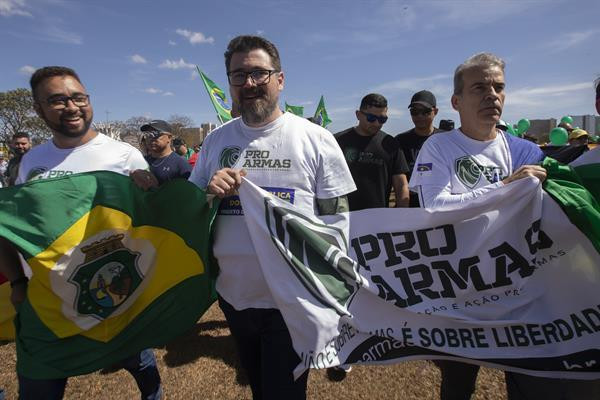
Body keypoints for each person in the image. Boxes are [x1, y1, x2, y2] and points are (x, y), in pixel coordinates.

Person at [189, 35, 355, 400]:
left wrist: (331, 292)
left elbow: (337, 224)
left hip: (291, 302)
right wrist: (208, 192)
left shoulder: (316, 139)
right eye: (238, 75)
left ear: (280, 79)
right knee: (260, 386)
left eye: (259, 74)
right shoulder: (216, 141)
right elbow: (191, 206)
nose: (248, 83)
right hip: (233, 297)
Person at [0, 66, 162, 400]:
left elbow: (153, 221)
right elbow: (11, 227)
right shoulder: (32, 161)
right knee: (38, 385)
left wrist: (152, 189)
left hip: (114, 293)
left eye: (78, 97)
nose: (72, 107)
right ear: (38, 109)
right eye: (57, 100)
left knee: (141, 364)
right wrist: (17, 281)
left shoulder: (125, 154)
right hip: (48, 298)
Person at [409, 52, 550, 400]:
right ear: (457, 101)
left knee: (527, 380)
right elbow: (435, 209)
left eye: (499, 87)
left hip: (520, 288)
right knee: (458, 385)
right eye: (480, 88)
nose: (492, 95)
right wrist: (504, 187)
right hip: (462, 291)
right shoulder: (439, 147)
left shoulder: (525, 152)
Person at [335, 93, 409, 210]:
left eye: (382, 119)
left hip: (377, 219)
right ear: (358, 115)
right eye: (371, 118)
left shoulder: (390, 144)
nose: (377, 123)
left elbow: (401, 184)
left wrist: (402, 212)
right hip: (343, 216)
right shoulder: (338, 141)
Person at [396, 90, 441, 207]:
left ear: (435, 111)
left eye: (425, 112)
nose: (419, 116)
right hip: (411, 208)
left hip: (440, 207)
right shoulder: (400, 141)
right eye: (414, 112)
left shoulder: (446, 140)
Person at [140, 119, 192, 184]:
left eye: (155, 134)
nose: (151, 138)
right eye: (147, 134)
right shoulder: (142, 161)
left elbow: (190, 191)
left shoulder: (181, 164)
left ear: (169, 138)